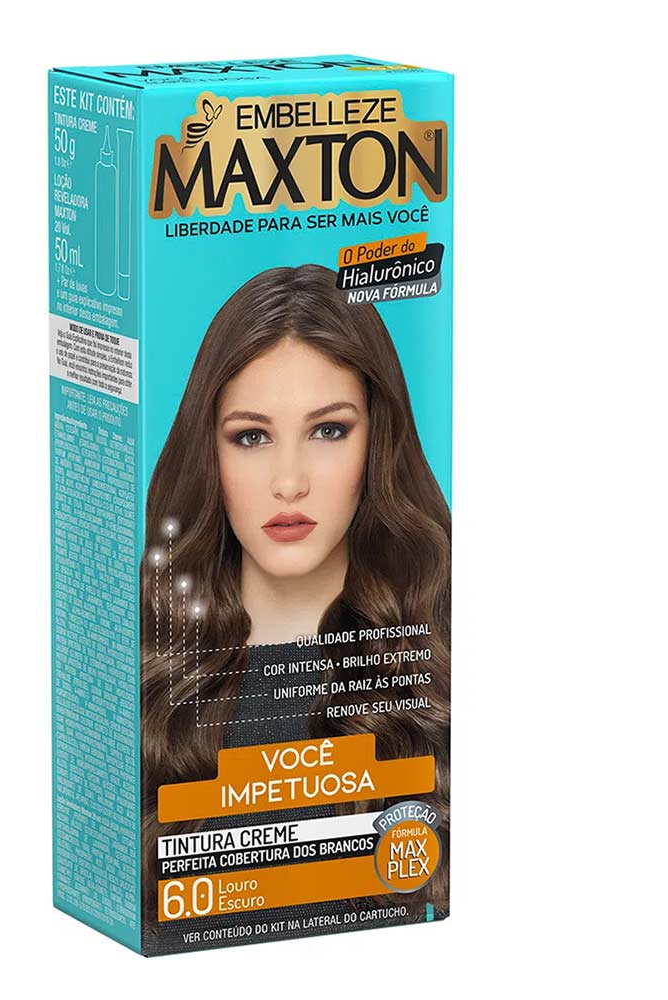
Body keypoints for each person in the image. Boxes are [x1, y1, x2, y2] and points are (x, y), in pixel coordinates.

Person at [140, 264, 450, 946]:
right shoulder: (150, 682)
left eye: (329, 431)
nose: (289, 483)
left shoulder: (437, 673)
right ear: (209, 452)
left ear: (378, 442)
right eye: (251, 436)